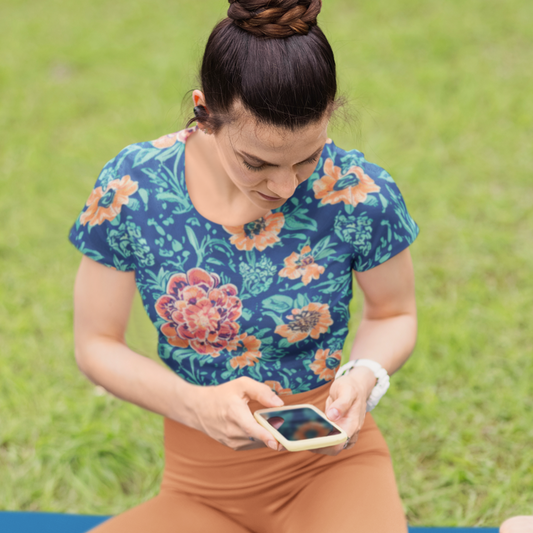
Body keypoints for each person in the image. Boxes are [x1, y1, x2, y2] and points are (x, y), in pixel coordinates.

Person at [69, 1, 419, 531]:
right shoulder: (133, 189)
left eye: (306, 158)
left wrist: (366, 373)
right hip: (203, 486)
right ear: (204, 110)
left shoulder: (357, 193)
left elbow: (393, 314)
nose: (285, 187)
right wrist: (195, 405)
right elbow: (95, 342)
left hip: (328, 465)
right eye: (257, 162)